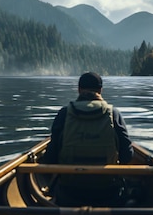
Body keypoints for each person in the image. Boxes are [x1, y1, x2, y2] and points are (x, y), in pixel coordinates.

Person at [44, 72, 134, 207]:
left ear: (79, 90)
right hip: (108, 194)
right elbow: (127, 156)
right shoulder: (114, 114)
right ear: (100, 90)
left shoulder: (64, 114)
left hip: (69, 194)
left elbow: (50, 159)